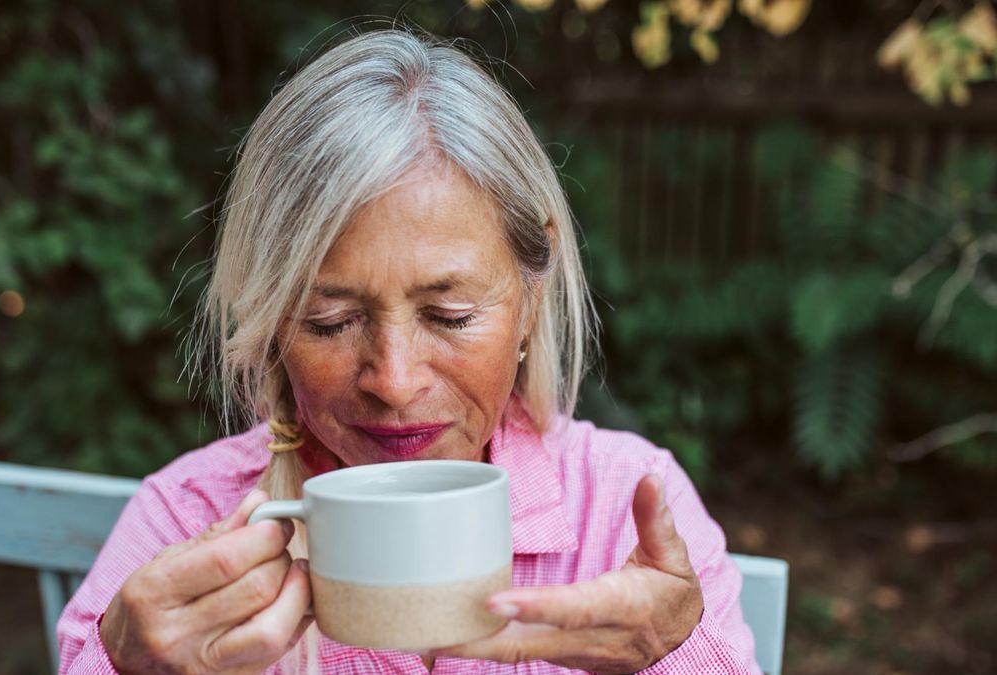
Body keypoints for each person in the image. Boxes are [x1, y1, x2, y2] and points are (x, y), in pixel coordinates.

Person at [57, 27, 761, 675]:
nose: (393, 380)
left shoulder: (621, 511)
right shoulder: (187, 519)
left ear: (532, 292)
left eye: (450, 314)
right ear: (269, 316)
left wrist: (672, 655)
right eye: (329, 320)